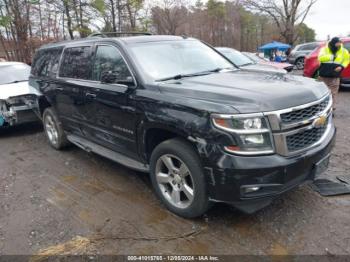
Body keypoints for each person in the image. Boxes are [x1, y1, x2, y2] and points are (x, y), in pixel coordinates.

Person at [318, 37, 350, 109]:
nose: (339, 44)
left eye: (339, 43)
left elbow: (347, 60)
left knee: (333, 93)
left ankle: (331, 108)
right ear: (333, 43)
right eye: (337, 43)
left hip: (335, 75)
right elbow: (320, 58)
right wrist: (332, 57)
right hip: (324, 75)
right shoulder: (324, 49)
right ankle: (321, 108)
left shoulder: (344, 51)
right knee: (322, 92)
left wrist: (341, 66)